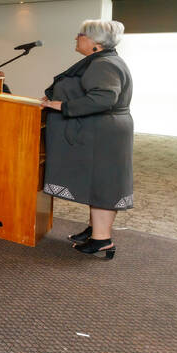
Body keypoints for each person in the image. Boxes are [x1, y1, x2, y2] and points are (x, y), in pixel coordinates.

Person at [41, 19, 133, 260]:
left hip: (104, 134)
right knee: (99, 182)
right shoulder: (103, 60)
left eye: (80, 34)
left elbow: (103, 98)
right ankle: (96, 231)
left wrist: (63, 105)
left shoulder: (104, 64)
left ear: (95, 42)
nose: (76, 38)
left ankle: (102, 240)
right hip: (104, 131)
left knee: (103, 184)